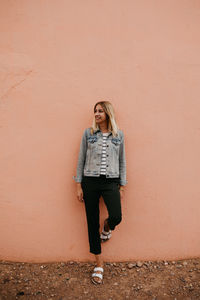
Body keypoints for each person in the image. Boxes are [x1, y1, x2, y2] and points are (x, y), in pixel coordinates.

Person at [73, 101, 127, 284]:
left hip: (111, 181)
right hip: (90, 181)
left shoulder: (118, 136)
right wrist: (78, 185)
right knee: (91, 222)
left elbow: (122, 162)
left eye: (100, 111)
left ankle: (107, 227)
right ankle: (99, 264)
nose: (96, 114)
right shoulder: (88, 134)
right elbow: (81, 159)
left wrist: (122, 186)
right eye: (95, 111)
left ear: (108, 113)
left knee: (117, 216)